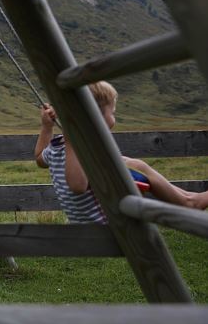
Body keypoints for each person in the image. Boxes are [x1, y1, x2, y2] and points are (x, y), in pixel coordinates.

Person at [35, 81, 208, 224]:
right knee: (135, 165)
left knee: (126, 161)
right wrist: (71, 138)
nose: (114, 119)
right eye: (113, 113)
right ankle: (189, 203)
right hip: (104, 225)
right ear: (94, 115)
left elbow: (39, 158)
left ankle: (187, 197)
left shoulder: (57, 147)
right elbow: (77, 186)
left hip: (87, 221)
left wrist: (46, 127)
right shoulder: (78, 147)